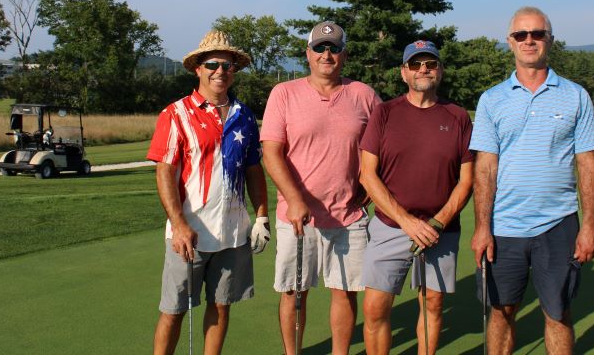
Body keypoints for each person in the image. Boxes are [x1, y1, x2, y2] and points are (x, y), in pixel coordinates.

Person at [470, 6, 594, 355]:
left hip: (558, 225)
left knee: (558, 313)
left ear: (550, 40)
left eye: (537, 34)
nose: (529, 41)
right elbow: (484, 169)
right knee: (502, 311)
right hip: (504, 226)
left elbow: (588, 165)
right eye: (521, 35)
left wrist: (589, 226)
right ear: (510, 42)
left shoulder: (576, 95)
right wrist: (482, 227)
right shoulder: (492, 99)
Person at [260, 21, 381, 355]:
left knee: (344, 292)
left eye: (335, 48)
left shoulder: (364, 95)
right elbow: (271, 152)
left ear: (344, 54)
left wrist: (371, 187)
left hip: (348, 215)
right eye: (320, 48)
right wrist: (296, 199)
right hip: (297, 216)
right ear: (308, 53)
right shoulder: (284, 93)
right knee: (293, 292)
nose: (327, 54)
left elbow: (380, 149)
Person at [147, 30, 270, 355]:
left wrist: (261, 216)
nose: (220, 71)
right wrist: (179, 224)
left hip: (232, 234)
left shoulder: (244, 115)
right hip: (189, 235)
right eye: (212, 64)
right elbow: (165, 172)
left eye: (227, 65)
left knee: (221, 306)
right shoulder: (176, 113)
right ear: (198, 69)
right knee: (173, 310)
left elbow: (253, 169)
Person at [359, 40, 475, 355]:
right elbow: (367, 174)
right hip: (392, 226)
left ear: (440, 70)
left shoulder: (457, 116)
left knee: (433, 304)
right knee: (375, 308)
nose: (423, 69)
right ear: (404, 73)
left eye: (431, 64)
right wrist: (407, 222)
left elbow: (466, 180)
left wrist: (437, 223)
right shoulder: (385, 113)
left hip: (441, 230)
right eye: (415, 64)